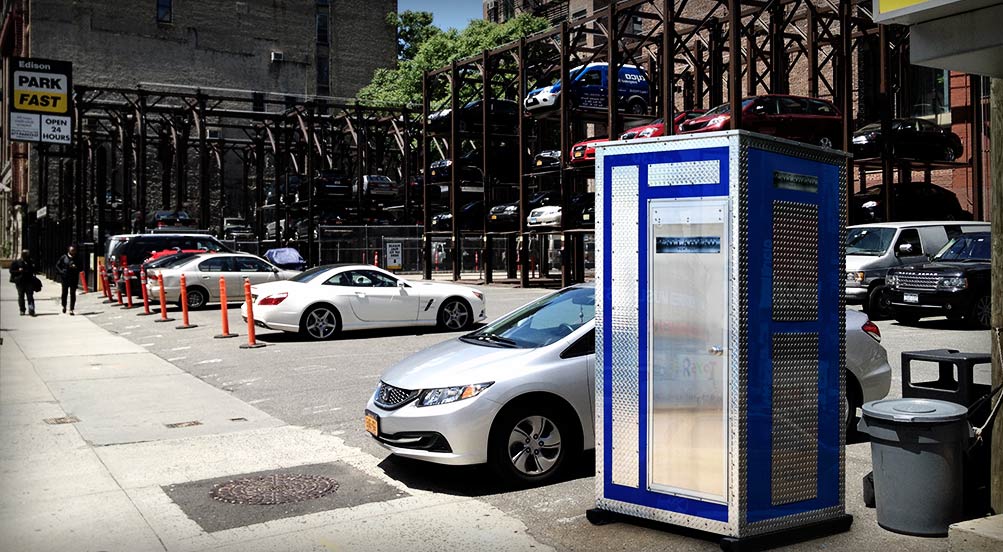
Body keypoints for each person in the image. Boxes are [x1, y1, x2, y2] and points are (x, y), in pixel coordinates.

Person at [55, 244, 82, 315]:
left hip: (74, 278)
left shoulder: (77, 258)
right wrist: (61, 272)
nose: (73, 252)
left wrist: (76, 267)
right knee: (64, 293)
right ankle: (64, 306)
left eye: (74, 251)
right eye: (72, 251)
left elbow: (81, 267)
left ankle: (71, 309)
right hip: (65, 278)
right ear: (69, 251)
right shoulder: (64, 257)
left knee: (73, 293)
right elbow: (57, 265)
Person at [9, 249, 37, 316]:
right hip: (20, 282)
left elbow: (35, 270)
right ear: (22, 255)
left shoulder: (31, 261)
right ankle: (22, 310)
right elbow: (11, 271)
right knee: (21, 296)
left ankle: (31, 310)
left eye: (27, 254)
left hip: (29, 282)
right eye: (25, 254)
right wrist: (19, 271)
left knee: (30, 296)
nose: (27, 256)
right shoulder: (16, 262)